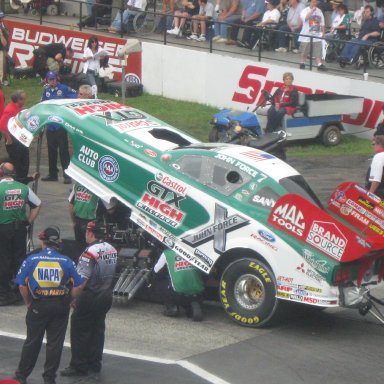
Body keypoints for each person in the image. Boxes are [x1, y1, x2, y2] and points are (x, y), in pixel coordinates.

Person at [13, 227, 84, 384]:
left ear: (43, 241)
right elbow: (79, 285)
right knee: (55, 343)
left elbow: (21, 285)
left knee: (32, 341)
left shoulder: (31, 259)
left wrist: (28, 302)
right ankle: (49, 378)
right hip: (60, 305)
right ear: (58, 242)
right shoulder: (67, 260)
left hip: (39, 304)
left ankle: (21, 376)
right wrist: (71, 299)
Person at [60, 220, 118, 377]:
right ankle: (94, 363)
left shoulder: (89, 252)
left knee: (80, 330)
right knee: (98, 330)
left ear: (90, 233)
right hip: (106, 295)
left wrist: (73, 297)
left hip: (90, 295)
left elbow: (80, 282)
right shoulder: (112, 249)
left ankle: (79, 366)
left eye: (86, 231)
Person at [0, 162, 41, 306]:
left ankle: (3, 294)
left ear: (1, 172)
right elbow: (37, 204)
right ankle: (18, 291)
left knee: (3, 260)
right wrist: (28, 222)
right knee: (19, 259)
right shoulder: (24, 188)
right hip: (20, 229)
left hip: (3, 228)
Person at [40, 71, 77, 184]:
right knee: (51, 151)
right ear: (47, 80)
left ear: (57, 79)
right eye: (50, 79)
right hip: (50, 125)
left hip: (60, 125)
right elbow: (42, 104)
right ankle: (52, 174)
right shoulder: (46, 90)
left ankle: (66, 175)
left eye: (54, 79)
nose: (52, 81)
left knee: (63, 151)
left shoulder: (64, 88)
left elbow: (76, 96)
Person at [153, 249, 204, 321]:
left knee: (158, 281)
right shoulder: (195, 250)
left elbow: (156, 271)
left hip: (177, 294)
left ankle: (171, 307)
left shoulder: (167, 253)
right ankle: (191, 307)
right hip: (198, 294)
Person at [0, 90, 30, 182]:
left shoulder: (20, 108)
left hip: (20, 138)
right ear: (18, 100)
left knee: (24, 160)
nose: (25, 100)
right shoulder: (10, 109)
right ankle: (18, 180)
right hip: (13, 140)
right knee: (17, 162)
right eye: (23, 99)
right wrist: (8, 138)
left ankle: (22, 179)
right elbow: (1, 124)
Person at [68, 182, 101, 252]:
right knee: (91, 247)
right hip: (91, 222)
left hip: (77, 220)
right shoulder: (98, 186)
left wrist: (74, 222)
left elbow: (70, 205)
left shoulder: (77, 184)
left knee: (79, 247)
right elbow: (110, 209)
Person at [298, 0, 327, 71]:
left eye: (316, 2)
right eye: (313, 2)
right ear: (309, 2)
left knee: (318, 49)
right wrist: (311, 11)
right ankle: (303, 62)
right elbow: (305, 18)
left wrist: (323, 33)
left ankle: (319, 64)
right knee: (305, 50)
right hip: (306, 34)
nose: (315, 3)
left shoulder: (319, 11)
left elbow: (322, 22)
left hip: (316, 33)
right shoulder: (304, 10)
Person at [0, 12, 9, 85]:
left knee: (3, 64)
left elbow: (5, 43)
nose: (1, 19)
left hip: (2, 49)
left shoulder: (3, 27)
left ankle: (3, 80)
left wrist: (1, 34)